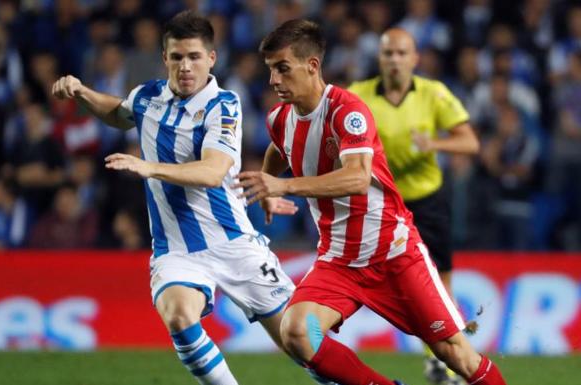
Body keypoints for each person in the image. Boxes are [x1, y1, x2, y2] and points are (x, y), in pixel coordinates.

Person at [236, 19, 507, 385]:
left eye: (283, 68)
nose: (274, 80)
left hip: (393, 253)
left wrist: (284, 187)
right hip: (339, 260)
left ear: (312, 66)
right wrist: (268, 190)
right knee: (296, 332)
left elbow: (358, 178)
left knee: (454, 353)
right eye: (271, 70)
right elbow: (278, 151)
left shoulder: (347, 110)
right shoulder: (279, 119)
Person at [51, 11, 308, 385]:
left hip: (233, 242)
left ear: (211, 59)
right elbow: (121, 114)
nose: (185, 67)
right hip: (176, 250)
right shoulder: (148, 96)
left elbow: (212, 171)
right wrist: (82, 92)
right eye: (176, 57)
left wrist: (149, 167)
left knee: (300, 343)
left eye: (193, 57)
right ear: (165, 58)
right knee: (178, 315)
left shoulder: (224, 105)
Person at [348, 28, 480, 385]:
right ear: (380, 58)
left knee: (439, 285)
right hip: (382, 204)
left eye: (401, 53)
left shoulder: (434, 94)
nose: (394, 60)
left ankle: (444, 364)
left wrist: (434, 143)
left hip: (428, 201)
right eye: (388, 53)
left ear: (415, 58)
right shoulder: (357, 96)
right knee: (385, 284)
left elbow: (469, 142)